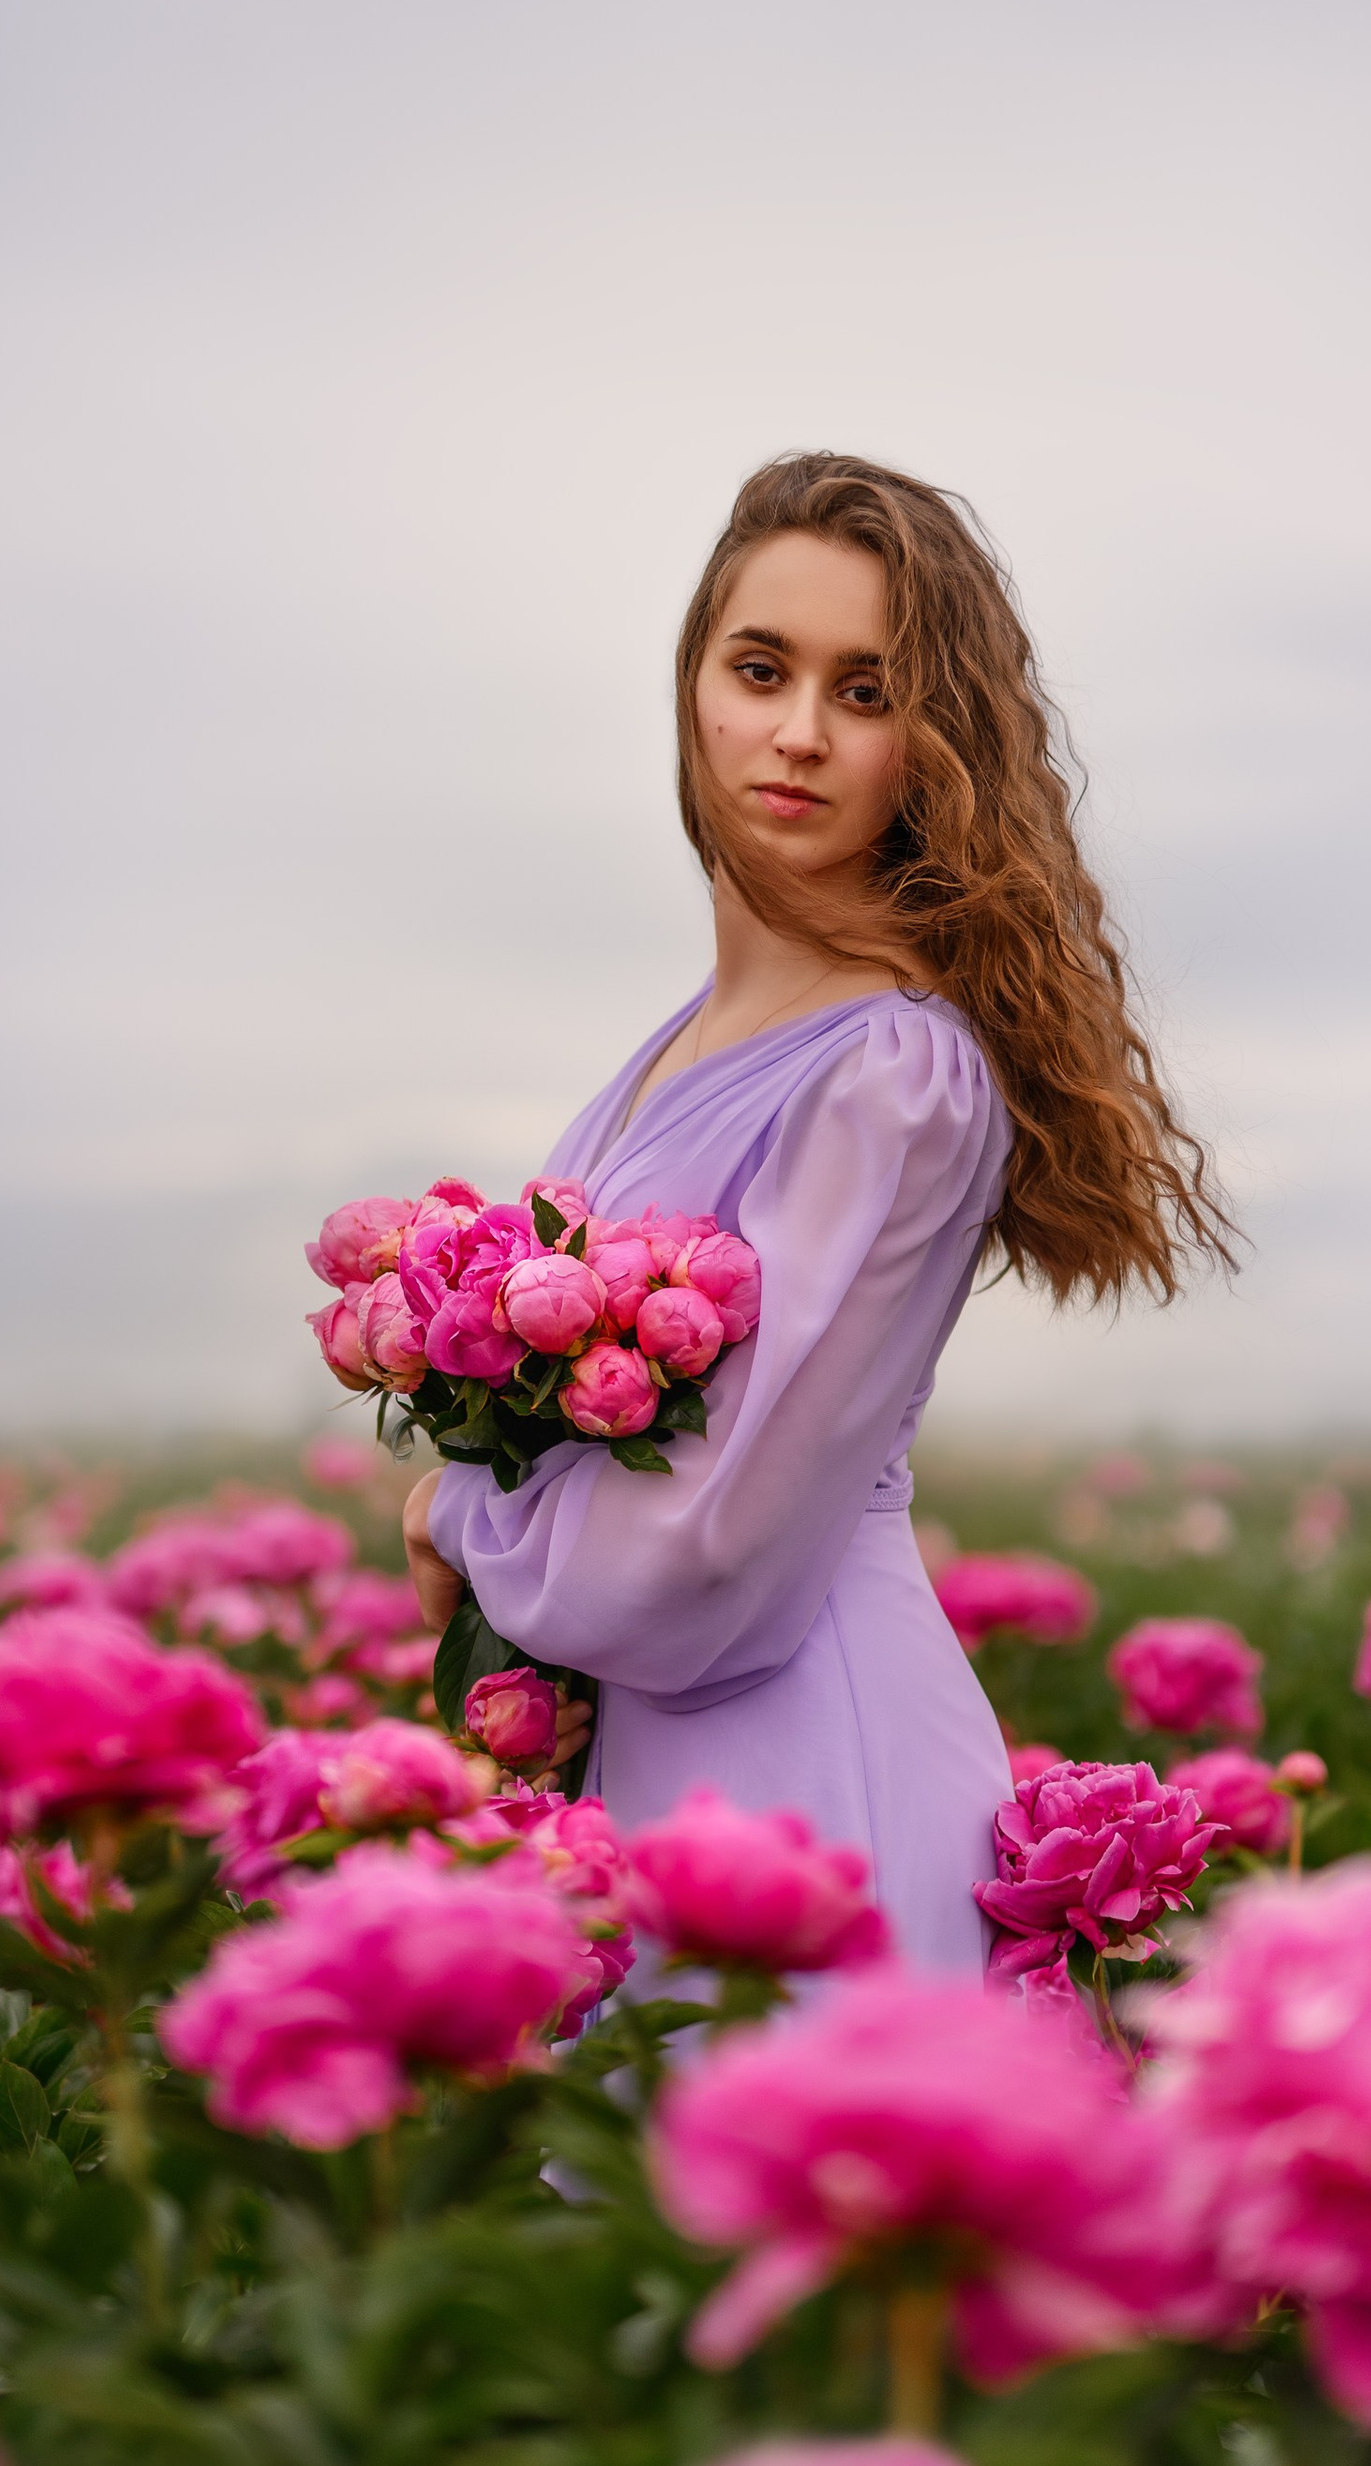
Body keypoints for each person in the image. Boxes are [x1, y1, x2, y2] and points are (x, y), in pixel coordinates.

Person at [401, 451, 1230, 1971]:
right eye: (761, 667)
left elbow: (711, 1554)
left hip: (804, 1776)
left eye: (866, 691)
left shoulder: (894, 1074)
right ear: (690, 683)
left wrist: (460, 1503)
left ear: (937, 739)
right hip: (654, 1777)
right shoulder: (684, 1037)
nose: (796, 732)